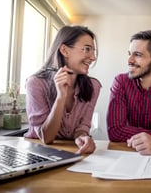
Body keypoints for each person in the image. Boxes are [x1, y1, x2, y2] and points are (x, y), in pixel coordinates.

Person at [24, 25, 101, 154]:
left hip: (72, 152)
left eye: (93, 51)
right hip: (38, 152)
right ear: (65, 50)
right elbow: (46, 138)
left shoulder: (93, 86)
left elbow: (83, 126)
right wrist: (60, 97)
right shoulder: (35, 84)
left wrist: (82, 136)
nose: (93, 57)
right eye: (87, 49)